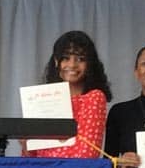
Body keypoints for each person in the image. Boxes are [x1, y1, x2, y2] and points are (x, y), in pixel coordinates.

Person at [22, 30, 111, 159]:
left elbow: (87, 154)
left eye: (80, 59)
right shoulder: (41, 99)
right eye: (66, 58)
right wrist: (26, 145)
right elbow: (31, 158)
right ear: (56, 61)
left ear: (89, 64)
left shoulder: (94, 97)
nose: (72, 65)